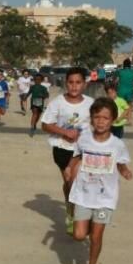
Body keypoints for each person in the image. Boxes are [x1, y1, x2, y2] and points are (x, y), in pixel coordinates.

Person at [68, 97, 133, 264]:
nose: (101, 121)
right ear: (91, 119)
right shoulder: (84, 140)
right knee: (79, 235)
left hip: (105, 197)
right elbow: (76, 156)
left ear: (113, 120)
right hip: (83, 194)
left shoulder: (117, 144)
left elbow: (121, 163)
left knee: (97, 235)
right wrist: (69, 169)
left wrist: (125, 171)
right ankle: (83, 222)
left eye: (105, 118)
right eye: (97, 117)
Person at [41, 67, 94, 235]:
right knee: (69, 182)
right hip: (62, 148)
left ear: (84, 84)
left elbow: (98, 122)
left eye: (78, 82)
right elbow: (45, 124)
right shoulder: (57, 102)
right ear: (66, 84)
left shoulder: (91, 103)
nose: (74, 86)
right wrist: (65, 132)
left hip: (83, 150)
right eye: (71, 82)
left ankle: (80, 216)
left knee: (75, 180)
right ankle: (71, 209)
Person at [28, 73, 49, 137]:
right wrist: (25, 97)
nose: (37, 81)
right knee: (34, 113)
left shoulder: (43, 88)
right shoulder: (32, 87)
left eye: (39, 80)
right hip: (34, 101)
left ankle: (34, 124)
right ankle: (32, 127)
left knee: (38, 115)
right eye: (36, 79)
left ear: (41, 80)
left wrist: (42, 96)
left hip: (40, 102)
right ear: (34, 80)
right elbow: (29, 93)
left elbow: (47, 95)